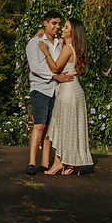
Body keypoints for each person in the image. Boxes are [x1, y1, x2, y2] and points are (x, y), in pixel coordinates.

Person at [39, 18, 95, 176]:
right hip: (76, 89)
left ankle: (59, 161)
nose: (61, 29)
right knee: (72, 127)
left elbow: (55, 68)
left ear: (73, 32)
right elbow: (59, 40)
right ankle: (73, 162)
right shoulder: (77, 47)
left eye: (65, 27)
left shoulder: (68, 49)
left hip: (67, 91)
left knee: (63, 126)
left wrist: (45, 51)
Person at [25, 11, 73, 175]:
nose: (57, 27)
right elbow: (35, 67)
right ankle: (32, 163)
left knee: (50, 128)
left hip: (56, 89)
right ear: (45, 23)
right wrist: (54, 76)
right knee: (39, 125)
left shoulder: (60, 43)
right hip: (40, 88)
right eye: (54, 23)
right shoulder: (35, 42)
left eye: (59, 24)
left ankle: (45, 163)